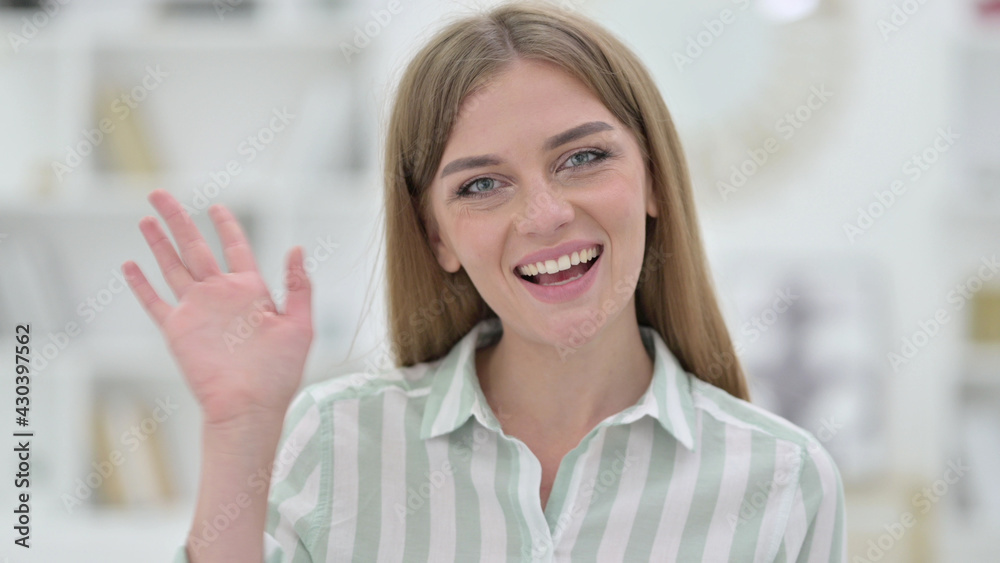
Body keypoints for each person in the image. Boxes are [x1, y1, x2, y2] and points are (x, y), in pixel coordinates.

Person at [122, 1, 847, 561]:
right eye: (481, 185)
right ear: (436, 234)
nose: (545, 214)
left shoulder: (783, 479)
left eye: (583, 158)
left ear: (653, 177)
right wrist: (242, 425)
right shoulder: (339, 439)